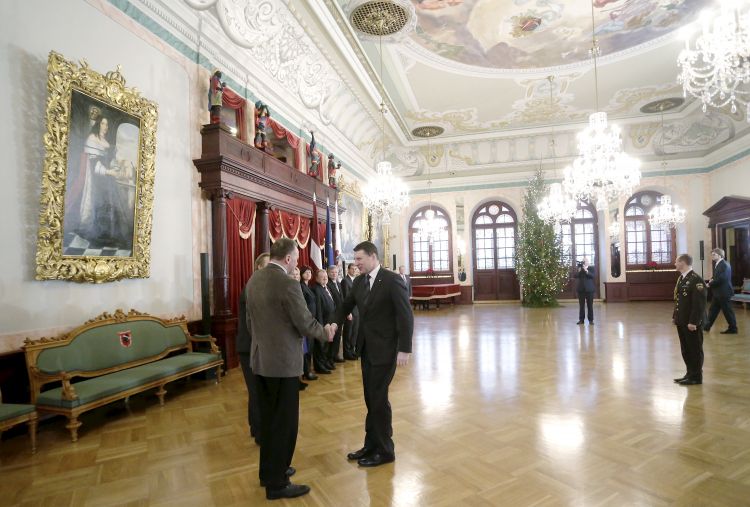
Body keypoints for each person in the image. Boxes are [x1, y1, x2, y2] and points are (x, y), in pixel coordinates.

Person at [245, 238, 334, 500]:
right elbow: (304, 322)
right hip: (282, 364)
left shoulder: (254, 280)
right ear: (287, 258)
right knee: (285, 424)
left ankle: (268, 472)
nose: (297, 262)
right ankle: (278, 483)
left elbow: (250, 323)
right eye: (295, 258)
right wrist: (325, 333)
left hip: (260, 360)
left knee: (269, 421)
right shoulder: (288, 284)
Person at [333, 241, 413, 467]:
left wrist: (405, 348)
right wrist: (333, 323)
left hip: (386, 350)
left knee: (378, 398)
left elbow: (405, 315)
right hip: (366, 349)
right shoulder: (359, 282)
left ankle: (385, 450)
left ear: (373, 256)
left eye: (359, 259)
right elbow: (345, 306)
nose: (356, 263)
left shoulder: (391, 280)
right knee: (371, 397)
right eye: (355, 259)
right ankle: (371, 444)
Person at [237, 253, 270, 445]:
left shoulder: (258, 286)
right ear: (258, 267)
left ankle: (255, 427)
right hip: (249, 346)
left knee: (257, 390)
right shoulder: (253, 287)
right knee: (257, 391)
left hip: (254, 345)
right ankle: (261, 433)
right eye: (267, 265)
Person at [672, 253, 707, 386]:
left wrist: (693, 322)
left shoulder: (696, 280)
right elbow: (679, 300)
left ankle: (696, 377)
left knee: (694, 349)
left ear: (683, 263)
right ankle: (689, 373)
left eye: (676, 262)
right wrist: (675, 316)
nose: (675, 264)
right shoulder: (682, 278)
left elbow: (699, 304)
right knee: (686, 349)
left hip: (691, 322)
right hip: (682, 320)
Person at [704, 248, 738, 334]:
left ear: (720, 255)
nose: (712, 256)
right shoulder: (719, 264)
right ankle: (707, 327)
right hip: (719, 293)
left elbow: (722, 278)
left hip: (723, 292)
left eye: (714, 254)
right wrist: (711, 280)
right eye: (712, 254)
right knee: (713, 310)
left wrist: (710, 284)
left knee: (727, 311)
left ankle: (733, 328)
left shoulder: (724, 264)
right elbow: (717, 276)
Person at [311, 269, 335, 374]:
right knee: (320, 346)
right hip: (322, 322)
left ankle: (324, 363)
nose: (325, 278)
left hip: (329, 321)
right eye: (322, 277)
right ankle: (319, 366)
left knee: (326, 346)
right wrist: (321, 324)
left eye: (326, 276)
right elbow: (319, 309)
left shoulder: (326, 287)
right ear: (316, 278)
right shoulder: (316, 289)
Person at [299, 266, 318, 382]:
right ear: (301, 274)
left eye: (310, 272)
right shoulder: (300, 286)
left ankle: (308, 370)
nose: (308, 274)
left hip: (312, 321)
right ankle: (306, 372)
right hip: (306, 322)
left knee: (310, 347)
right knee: (306, 348)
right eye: (306, 272)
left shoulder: (308, 286)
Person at [326, 265, 345, 364]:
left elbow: (341, 298)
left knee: (338, 336)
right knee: (331, 337)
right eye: (332, 272)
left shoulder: (338, 282)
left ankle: (335, 355)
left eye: (336, 272)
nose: (334, 274)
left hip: (340, 315)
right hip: (333, 315)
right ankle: (329, 358)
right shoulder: (327, 284)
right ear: (328, 273)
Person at [341, 263, 360, 360]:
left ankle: (352, 351)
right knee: (348, 333)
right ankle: (347, 352)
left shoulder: (356, 280)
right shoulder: (345, 281)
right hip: (350, 312)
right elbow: (345, 297)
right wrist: (348, 312)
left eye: (355, 269)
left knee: (355, 332)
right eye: (352, 269)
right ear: (348, 270)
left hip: (357, 311)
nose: (354, 270)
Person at [575, 257, 596, 325]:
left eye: (586, 261)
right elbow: (575, 276)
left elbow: (593, 276)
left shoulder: (591, 268)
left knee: (590, 305)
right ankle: (581, 320)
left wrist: (586, 270)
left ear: (588, 262)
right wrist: (579, 270)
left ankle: (591, 320)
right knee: (581, 306)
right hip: (581, 290)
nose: (584, 262)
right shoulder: (580, 269)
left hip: (589, 290)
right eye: (583, 261)